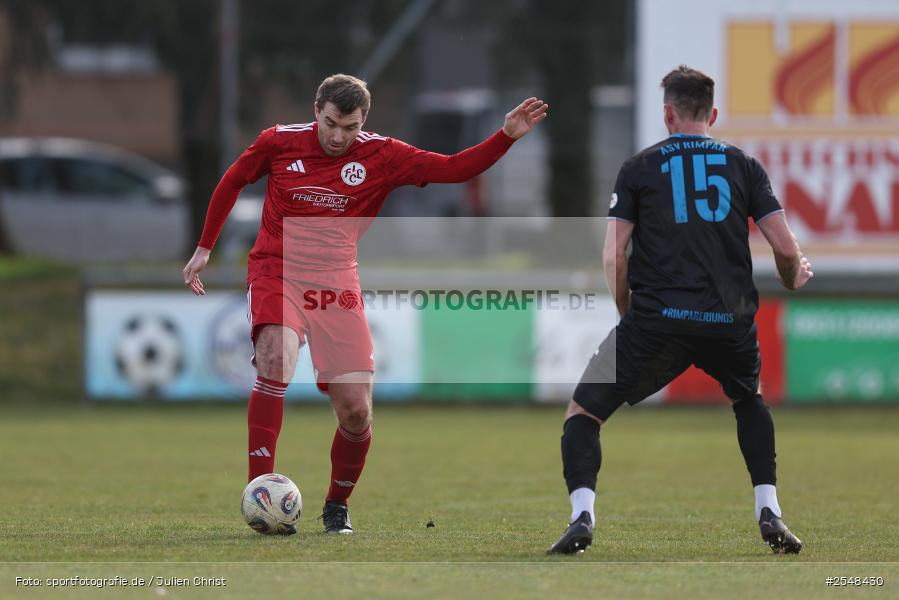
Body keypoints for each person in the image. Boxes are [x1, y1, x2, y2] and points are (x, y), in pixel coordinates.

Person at [182, 74, 548, 535]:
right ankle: (261, 490)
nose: (338, 136)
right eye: (332, 123)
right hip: (279, 268)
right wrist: (205, 246)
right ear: (317, 110)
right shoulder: (278, 142)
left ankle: (337, 504)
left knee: (356, 411)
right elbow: (233, 180)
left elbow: (454, 169)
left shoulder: (383, 155)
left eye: (350, 127)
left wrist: (505, 137)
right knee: (275, 359)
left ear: (364, 122)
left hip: (337, 283)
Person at [548, 65, 812, 555]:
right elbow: (785, 245)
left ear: (667, 112)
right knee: (748, 399)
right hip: (729, 320)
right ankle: (769, 509)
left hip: (657, 320)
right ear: (712, 114)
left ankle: (582, 517)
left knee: (583, 412)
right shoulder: (745, 166)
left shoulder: (639, 168)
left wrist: (630, 316)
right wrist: (792, 274)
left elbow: (613, 256)